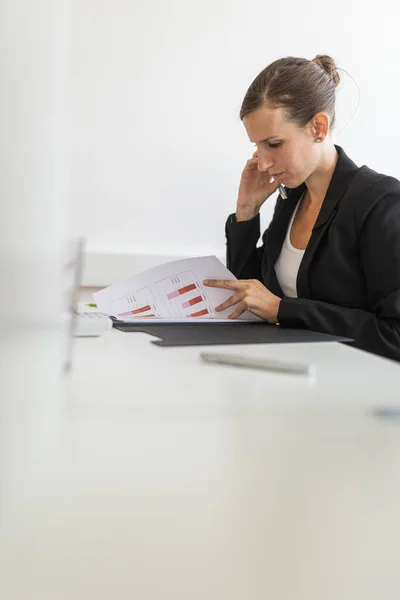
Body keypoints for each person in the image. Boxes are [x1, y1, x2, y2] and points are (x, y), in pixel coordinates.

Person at [203, 55, 400, 362]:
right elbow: (251, 300)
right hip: (291, 382)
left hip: (354, 395)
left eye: (274, 143)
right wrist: (247, 211)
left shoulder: (380, 203)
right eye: (257, 146)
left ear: (318, 127)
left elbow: (395, 336)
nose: (263, 162)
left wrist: (284, 310)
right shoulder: (292, 199)